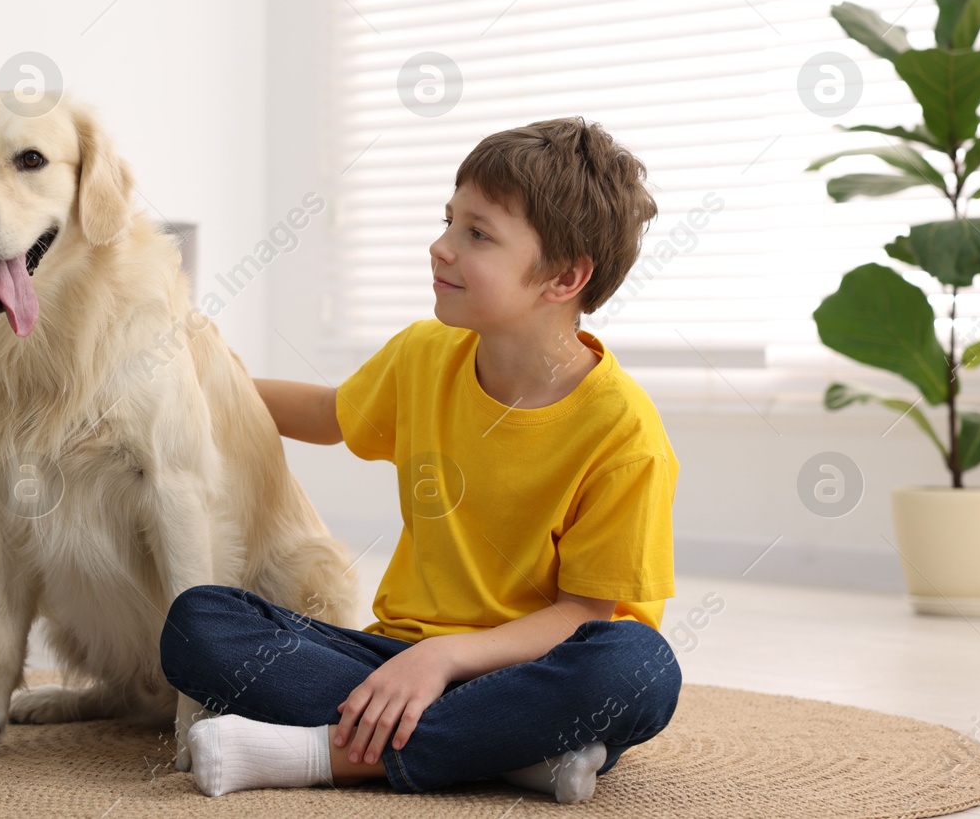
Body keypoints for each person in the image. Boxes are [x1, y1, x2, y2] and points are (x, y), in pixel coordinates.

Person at [158, 117, 683, 801]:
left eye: (477, 233)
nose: (440, 247)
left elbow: (583, 613)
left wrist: (447, 657)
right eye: (448, 221)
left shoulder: (624, 432)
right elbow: (327, 415)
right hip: (397, 653)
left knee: (639, 668)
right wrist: (191, 380)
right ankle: (509, 750)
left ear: (564, 276)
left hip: (540, 664)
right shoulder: (424, 353)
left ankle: (323, 753)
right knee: (199, 621)